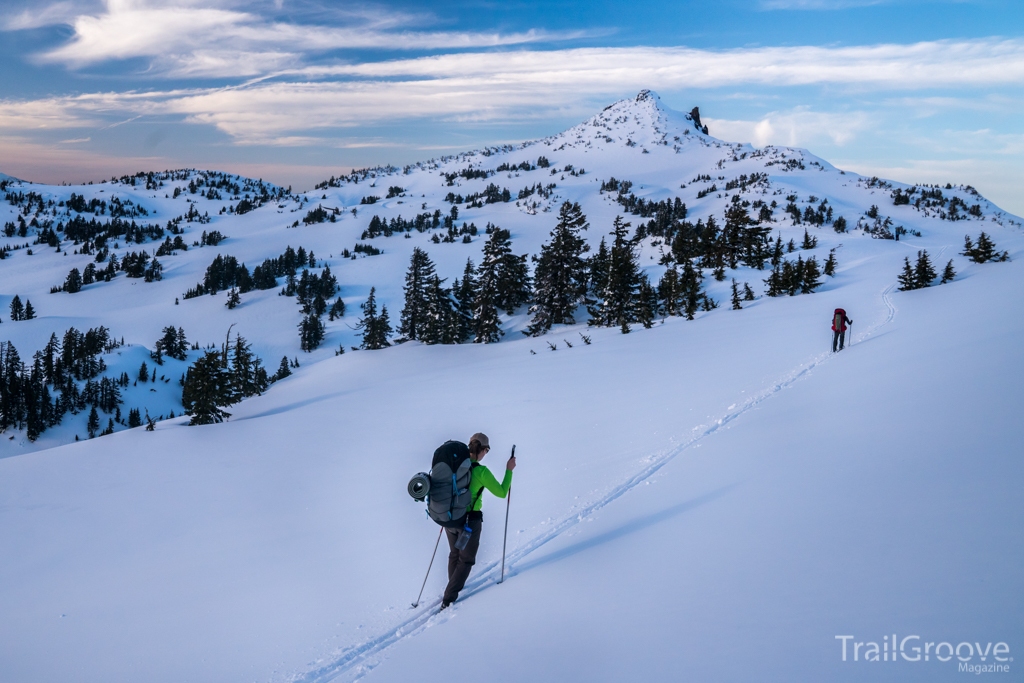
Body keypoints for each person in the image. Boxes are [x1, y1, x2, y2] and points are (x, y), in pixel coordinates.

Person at [441, 432, 515, 609]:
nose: (485, 454)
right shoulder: (481, 471)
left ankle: (453, 585)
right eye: (486, 451)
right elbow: (502, 492)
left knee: (454, 554)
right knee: (466, 560)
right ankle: (448, 598)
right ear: (482, 450)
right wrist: (509, 470)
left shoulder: (455, 466)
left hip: (449, 518)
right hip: (470, 521)